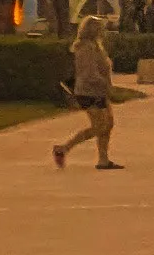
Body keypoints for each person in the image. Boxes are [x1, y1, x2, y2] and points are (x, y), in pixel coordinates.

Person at [50, 15, 122, 171]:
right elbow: (89, 73)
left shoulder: (95, 46)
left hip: (99, 91)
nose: (103, 30)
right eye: (100, 27)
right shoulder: (85, 48)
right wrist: (105, 84)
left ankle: (103, 159)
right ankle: (63, 148)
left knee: (108, 124)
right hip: (89, 92)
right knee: (100, 126)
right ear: (92, 29)